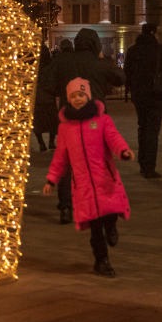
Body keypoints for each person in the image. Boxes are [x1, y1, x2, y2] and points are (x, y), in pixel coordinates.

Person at [42, 77, 134, 277]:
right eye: (73, 96)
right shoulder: (66, 128)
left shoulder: (101, 120)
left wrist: (123, 151)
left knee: (109, 212)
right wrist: (51, 179)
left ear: (88, 96)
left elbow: (113, 138)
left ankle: (112, 226)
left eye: (81, 95)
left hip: (104, 179)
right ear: (68, 99)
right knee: (95, 228)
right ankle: (102, 261)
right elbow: (61, 157)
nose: (78, 99)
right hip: (83, 185)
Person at [39, 27, 124, 222]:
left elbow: (46, 83)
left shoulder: (62, 61)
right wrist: (102, 60)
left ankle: (66, 207)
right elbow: (120, 78)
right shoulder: (99, 63)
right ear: (95, 45)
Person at [124, 23, 162, 179]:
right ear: (154, 33)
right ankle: (149, 167)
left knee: (142, 126)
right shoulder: (161, 50)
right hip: (156, 95)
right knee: (152, 130)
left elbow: (127, 72)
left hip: (139, 95)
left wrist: (132, 90)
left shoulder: (133, 50)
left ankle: (142, 163)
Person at [32, 45, 58, 150]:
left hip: (37, 98)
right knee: (51, 121)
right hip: (49, 97)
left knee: (38, 122)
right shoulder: (51, 67)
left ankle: (41, 143)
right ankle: (51, 142)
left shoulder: (34, 67)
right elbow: (54, 81)